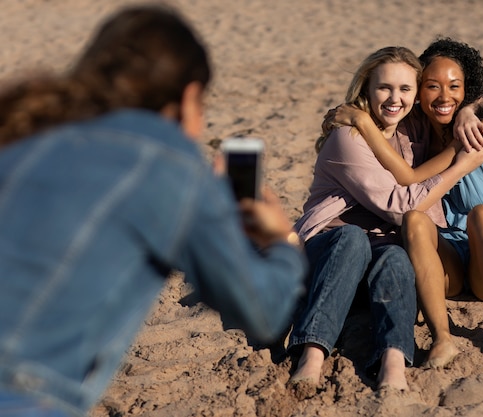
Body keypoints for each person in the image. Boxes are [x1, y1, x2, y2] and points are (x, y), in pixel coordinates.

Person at [0, 5, 306, 417]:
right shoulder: (172, 165)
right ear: (189, 96)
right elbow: (261, 312)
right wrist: (282, 243)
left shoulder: (29, 136)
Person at [287, 46, 483, 393]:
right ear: (366, 89)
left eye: (405, 89)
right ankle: (312, 352)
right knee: (352, 238)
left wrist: (469, 111)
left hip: (372, 266)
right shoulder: (347, 138)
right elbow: (401, 207)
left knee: (397, 255)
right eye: (384, 88)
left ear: (415, 95)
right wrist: (462, 167)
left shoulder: (412, 132)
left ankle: (394, 360)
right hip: (327, 255)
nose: (393, 98)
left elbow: (458, 95)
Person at [333, 37, 483, 368]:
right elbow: (388, 103)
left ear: (467, 89)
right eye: (432, 86)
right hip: (454, 260)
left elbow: (409, 177)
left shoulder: (482, 130)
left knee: (481, 216)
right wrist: (352, 113)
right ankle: (443, 339)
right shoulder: (425, 131)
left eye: (455, 87)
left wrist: (363, 123)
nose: (444, 96)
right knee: (413, 218)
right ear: (419, 90)